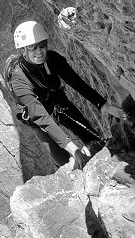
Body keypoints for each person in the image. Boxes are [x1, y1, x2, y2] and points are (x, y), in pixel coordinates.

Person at [10, 20, 124, 170]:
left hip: (58, 104)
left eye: (42, 44)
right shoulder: (18, 79)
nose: (39, 51)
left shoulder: (53, 59)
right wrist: (74, 151)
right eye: (32, 47)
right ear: (23, 49)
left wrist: (104, 105)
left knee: (93, 140)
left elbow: (78, 83)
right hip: (37, 118)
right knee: (63, 161)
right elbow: (42, 118)